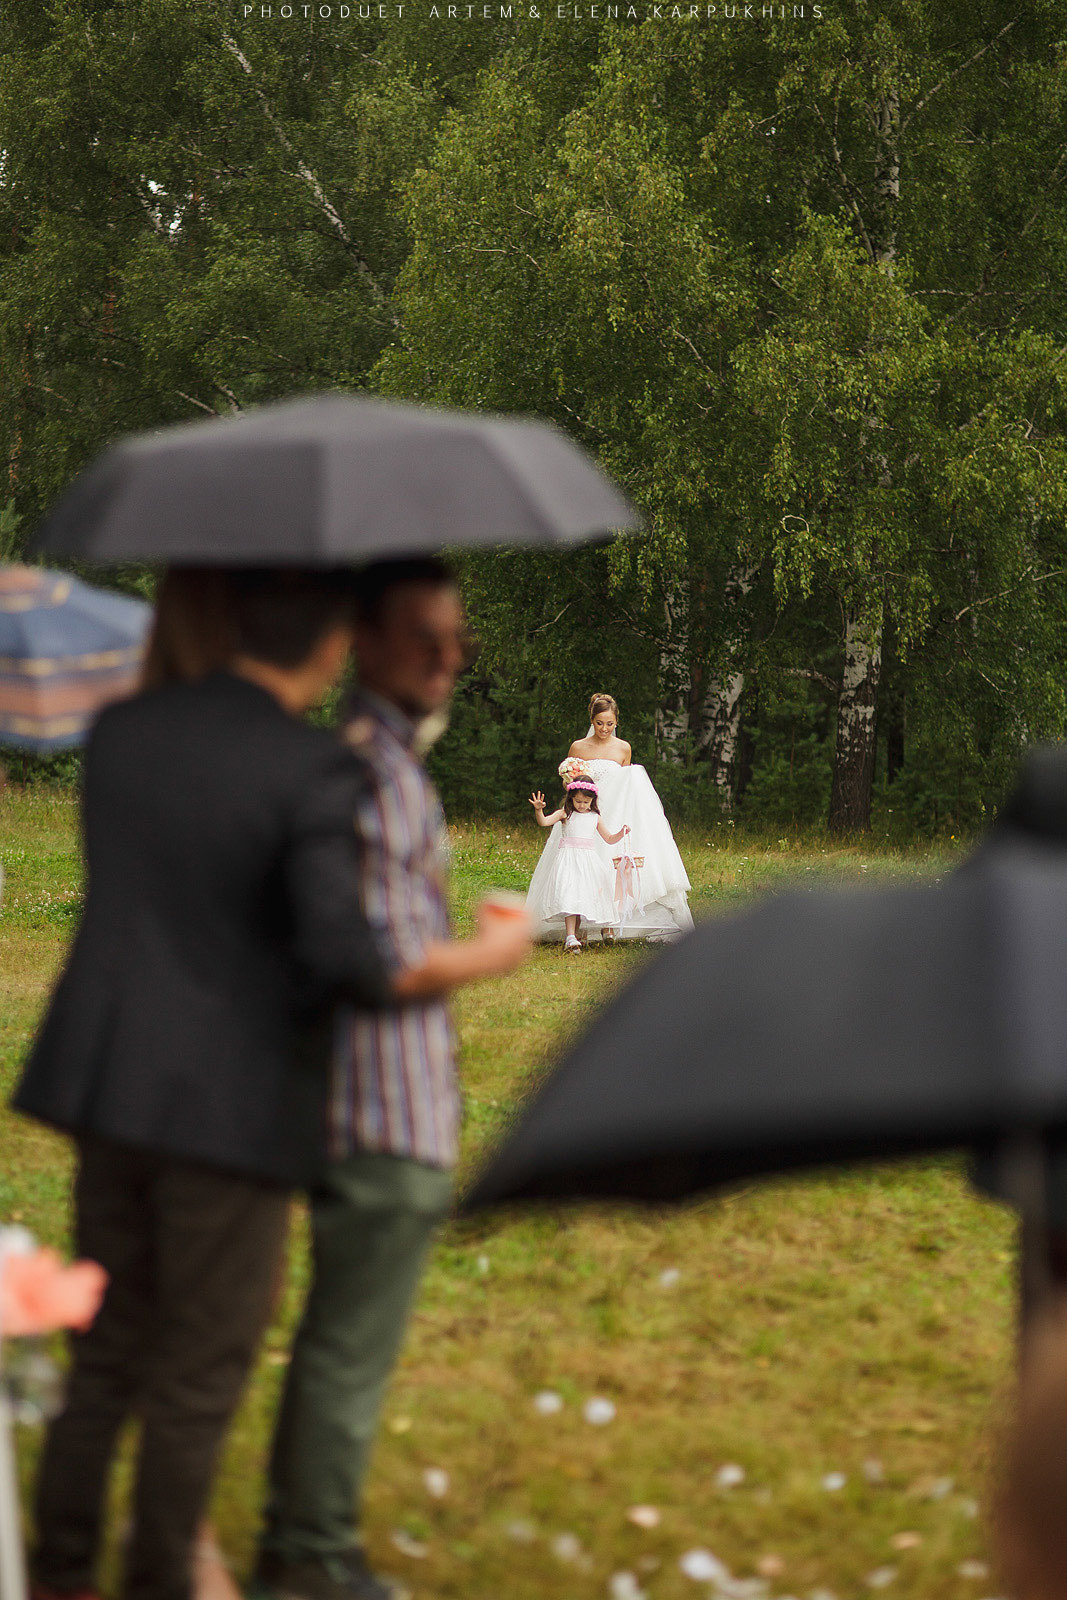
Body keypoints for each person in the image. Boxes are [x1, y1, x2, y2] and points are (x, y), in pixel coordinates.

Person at [11, 567, 412, 1600]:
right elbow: (340, 954)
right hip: (230, 1105)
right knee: (200, 1366)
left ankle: (57, 1574)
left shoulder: (127, 733)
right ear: (330, 645)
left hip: (111, 1084)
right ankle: (157, 1578)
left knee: (109, 1350)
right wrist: (445, 962)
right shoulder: (316, 766)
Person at [254, 558, 531, 1600]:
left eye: (455, 640)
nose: (447, 659)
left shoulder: (391, 768)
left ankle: (304, 1541)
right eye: (425, 638)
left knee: (345, 1343)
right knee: (346, 1351)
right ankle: (308, 1557)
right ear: (364, 642)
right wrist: (494, 952)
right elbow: (376, 963)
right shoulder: (364, 772)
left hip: (397, 1106)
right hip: (377, 1113)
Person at [525, 692, 694, 943]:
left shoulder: (623, 748)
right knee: (577, 869)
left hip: (613, 813)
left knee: (611, 866)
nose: (604, 728)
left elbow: (628, 785)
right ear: (591, 720)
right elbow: (573, 788)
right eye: (599, 723)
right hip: (583, 815)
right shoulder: (578, 747)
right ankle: (577, 924)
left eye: (610, 724)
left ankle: (610, 923)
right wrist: (570, 785)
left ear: (616, 723)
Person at [529, 776, 630, 952]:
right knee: (569, 893)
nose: (582, 805)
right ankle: (570, 936)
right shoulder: (565, 813)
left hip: (587, 861)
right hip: (568, 859)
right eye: (578, 801)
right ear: (571, 798)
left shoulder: (594, 817)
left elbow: (608, 838)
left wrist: (621, 833)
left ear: (593, 801)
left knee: (583, 894)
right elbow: (544, 822)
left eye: (586, 802)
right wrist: (539, 810)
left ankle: (580, 934)